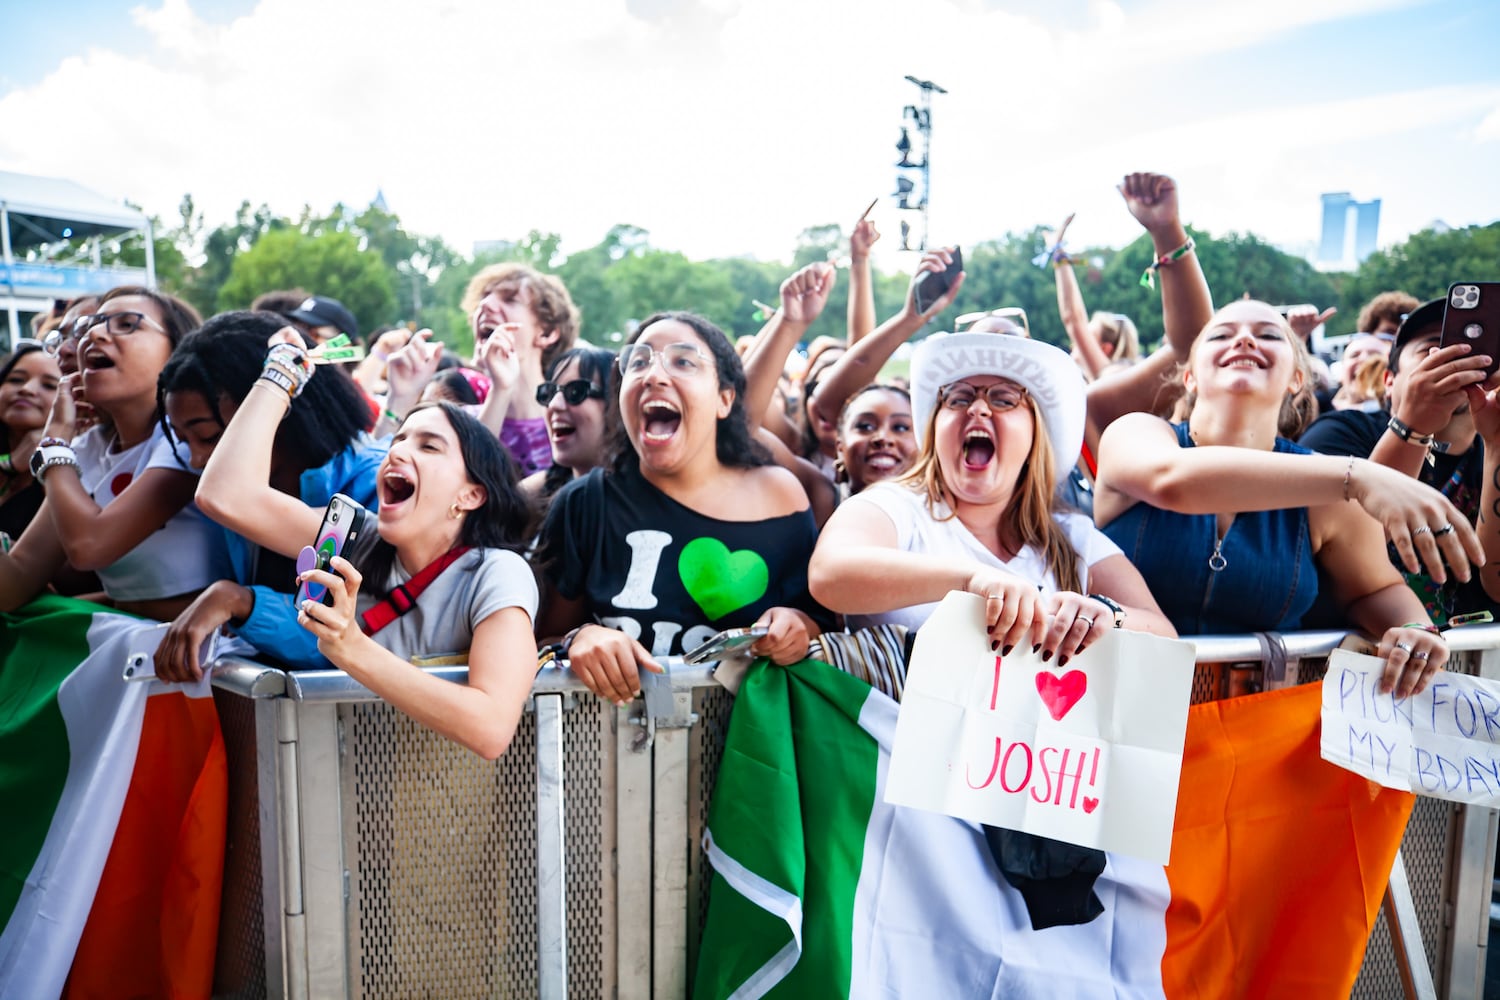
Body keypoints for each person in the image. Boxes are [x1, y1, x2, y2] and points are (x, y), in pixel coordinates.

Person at [1094, 300, 1482, 697]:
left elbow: (1374, 589)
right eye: (1222, 335)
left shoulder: (1328, 488)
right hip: (1116, 709)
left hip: (1249, 728)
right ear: (1190, 378)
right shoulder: (1136, 433)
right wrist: (1358, 474)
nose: (1244, 339)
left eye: (1267, 334)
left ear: (1297, 378)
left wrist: (1414, 630)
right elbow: (1170, 480)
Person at [809, 331, 1174, 658]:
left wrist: (1108, 615)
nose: (978, 408)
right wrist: (973, 580)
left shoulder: (1072, 537)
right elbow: (829, 575)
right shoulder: (892, 506)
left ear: (1036, 437)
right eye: (958, 398)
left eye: (1003, 400)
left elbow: (1165, 637)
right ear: (935, 429)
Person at [536, 311, 828, 706]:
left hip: (749, 753)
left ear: (725, 400)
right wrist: (579, 639)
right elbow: (543, 640)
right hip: (611, 755)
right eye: (637, 362)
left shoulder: (779, 495)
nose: (653, 375)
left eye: (683, 362)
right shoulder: (584, 503)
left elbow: (825, 624)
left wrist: (799, 628)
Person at [295, 400, 540, 760]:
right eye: (398, 439)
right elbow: (228, 497)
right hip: (355, 803)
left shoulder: (499, 571)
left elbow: (492, 728)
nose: (397, 451)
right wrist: (282, 371)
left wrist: (351, 646)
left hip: (450, 812)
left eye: (428, 446)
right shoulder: (359, 540)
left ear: (470, 495)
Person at [154, 311, 385, 679]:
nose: (198, 460)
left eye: (212, 437)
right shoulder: (233, 503)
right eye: (185, 443)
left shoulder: (377, 483)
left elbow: (361, 640)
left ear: (278, 410)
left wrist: (242, 603)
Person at [0, 286, 229, 621]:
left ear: (177, 351)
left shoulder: (187, 440)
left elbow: (89, 546)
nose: (94, 334)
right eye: (90, 326)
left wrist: (52, 447)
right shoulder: (86, 448)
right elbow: (15, 583)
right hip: (135, 651)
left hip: (206, 658)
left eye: (127, 324)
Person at [1299, 298, 1500, 627]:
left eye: (1472, 351)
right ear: (1389, 381)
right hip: (1354, 661)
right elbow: (1341, 546)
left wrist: (1497, 446)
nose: (1455, 361)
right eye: (1433, 351)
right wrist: (1415, 425)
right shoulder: (1341, 433)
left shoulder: (1490, 451)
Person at [461, 262, 581, 476]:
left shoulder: (570, 425)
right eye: (484, 298)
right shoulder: (460, 422)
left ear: (547, 333)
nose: (486, 305)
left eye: (509, 299)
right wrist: (501, 390)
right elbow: (466, 481)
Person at [523, 345, 614, 502]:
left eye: (575, 392)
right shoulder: (531, 496)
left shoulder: (641, 501)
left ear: (615, 407)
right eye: (549, 392)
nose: (554, 405)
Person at [0, 340, 61, 539]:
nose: (27, 389)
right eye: (16, 379)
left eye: (50, 385)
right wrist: (10, 463)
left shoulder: (74, 465)